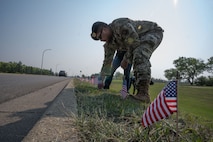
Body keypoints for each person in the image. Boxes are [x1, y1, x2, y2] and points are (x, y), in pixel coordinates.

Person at [91, 18, 163, 103]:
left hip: (151, 32)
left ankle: (143, 94)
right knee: (137, 53)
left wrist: (126, 59)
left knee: (139, 54)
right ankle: (141, 94)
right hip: (138, 40)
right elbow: (107, 62)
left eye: (100, 36)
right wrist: (100, 81)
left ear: (105, 29)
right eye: (99, 39)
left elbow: (133, 41)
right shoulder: (109, 44)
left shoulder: (120, 25)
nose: (101, 40)